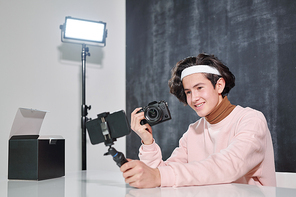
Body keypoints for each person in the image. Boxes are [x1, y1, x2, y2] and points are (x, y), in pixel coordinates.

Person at [120, 53, 276, 188]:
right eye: (188, 92)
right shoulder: (193, 130)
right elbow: (162, 175)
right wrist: (148, 143)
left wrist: (159, 176)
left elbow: (230, 166)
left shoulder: (251, 119)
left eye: (199, 88)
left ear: (219, 85)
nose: (194, 98)